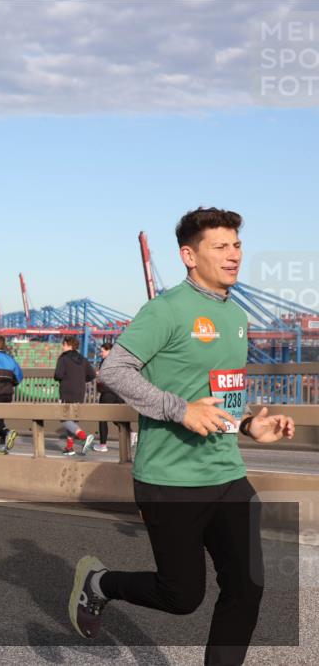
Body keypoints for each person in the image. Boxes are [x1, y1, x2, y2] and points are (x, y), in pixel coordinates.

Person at [70, 207, 296, 666]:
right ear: (189, 256)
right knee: (181, 596)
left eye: (236, 245)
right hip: (170, 480)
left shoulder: (234, 315)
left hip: (228, 474)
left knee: (247, 587)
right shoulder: (166, 310)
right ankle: (99, 583)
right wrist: (178, 410)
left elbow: (219, 392)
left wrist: (251, 423)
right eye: (221, 246)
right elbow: (114, 370)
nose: (233, 255)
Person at [54, 336, 96, 456]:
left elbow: (58, 375)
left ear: (68, 344)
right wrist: (82, 379)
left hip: (66, 391)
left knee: (64, 418)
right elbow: (92, 375)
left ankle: (84, 436)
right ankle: (70, 447)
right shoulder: (83, 359)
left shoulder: (63, 358)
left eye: (63, 344)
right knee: (71, 419)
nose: (62, 346)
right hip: (79, 392)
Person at [95, 341, 123, 453]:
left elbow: (104, 378)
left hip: (107, 392)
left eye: (102, 351)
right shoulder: (119, 361)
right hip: (119, 393)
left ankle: (103, 445)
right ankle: (131, 433)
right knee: (118, 417)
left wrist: (98, 375)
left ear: (109, 351)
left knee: (102, 418)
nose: (101, 353)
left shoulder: (106, 362)